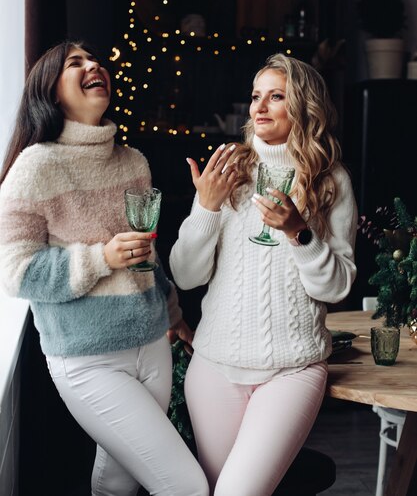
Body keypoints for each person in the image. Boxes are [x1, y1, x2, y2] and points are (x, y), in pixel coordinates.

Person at [0, 41, 209, 496]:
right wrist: (101, 258)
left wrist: (174, 316)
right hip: (86, 358)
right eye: (75, 63)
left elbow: (146, 257)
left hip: (152, 346)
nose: (93, 65)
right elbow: (15, 272)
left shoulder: (133, 162)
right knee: (187, 486)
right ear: (52, 93)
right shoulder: (34, 167)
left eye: (93, 59)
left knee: (118, 482)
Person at [169, 53, 357, 496]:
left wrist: (298, 232)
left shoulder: (331, 182)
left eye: (277, 96)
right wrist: (207, 207)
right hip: (213, 366)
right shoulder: (228, 174)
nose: (260, 106)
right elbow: (185, 274)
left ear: (304, 107)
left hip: (291, 370)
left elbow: (337, 286)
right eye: (256, 96)